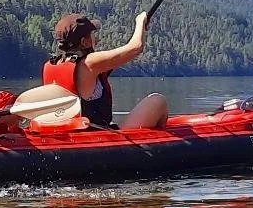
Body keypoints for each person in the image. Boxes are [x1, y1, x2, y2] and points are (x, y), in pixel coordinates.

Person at [41, 11, 169, 129]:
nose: (95, 38)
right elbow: (136, 48)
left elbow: (116, 59)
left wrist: (141, 32)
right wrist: (140, 22)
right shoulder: (89, 63)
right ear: (84, 42)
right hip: (98, 138)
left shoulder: (52, 65)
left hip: (71, 135)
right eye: (92, 35)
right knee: (158, 100)